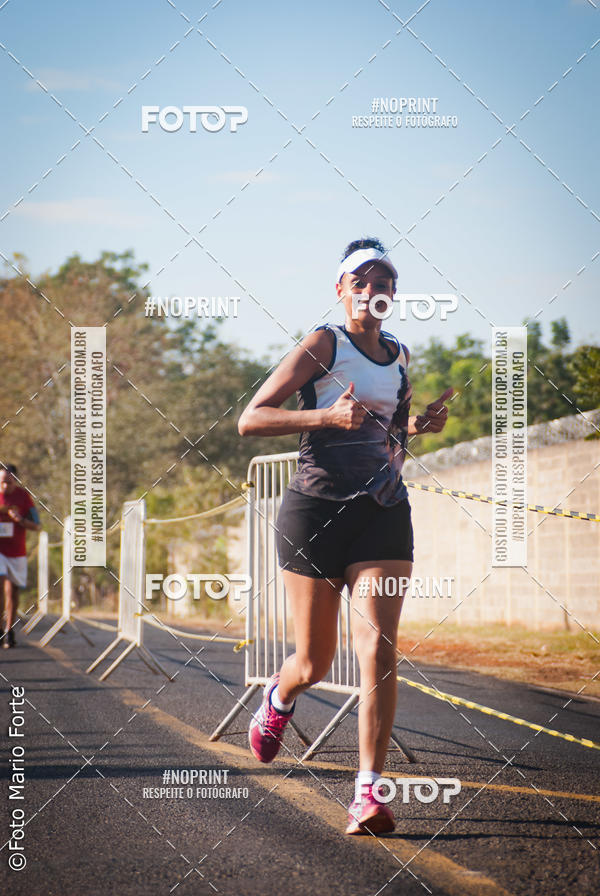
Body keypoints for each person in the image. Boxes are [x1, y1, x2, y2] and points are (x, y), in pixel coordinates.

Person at [238, 237, 452, 835]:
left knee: (379, 649)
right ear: (341, 290)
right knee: (313, 660)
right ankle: (279, 701)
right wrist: (324, 417)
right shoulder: (322, 344)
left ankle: (367, 793)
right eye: (360, 282)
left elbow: (391, 436)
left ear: (392, 295)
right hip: (315, 511)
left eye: (382, 284)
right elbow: (251, 418)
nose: (371, 291)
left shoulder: (400, 354)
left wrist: (417, 424)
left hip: (382, 512)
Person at [0, 464, 42, 648]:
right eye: (1, 482)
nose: (4, 486)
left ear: (15, 481)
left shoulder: (24, 497)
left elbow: (37, 525)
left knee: (12, 591)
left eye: (8, 482)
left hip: (17, 552)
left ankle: (9, 631)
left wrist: (20, 520)